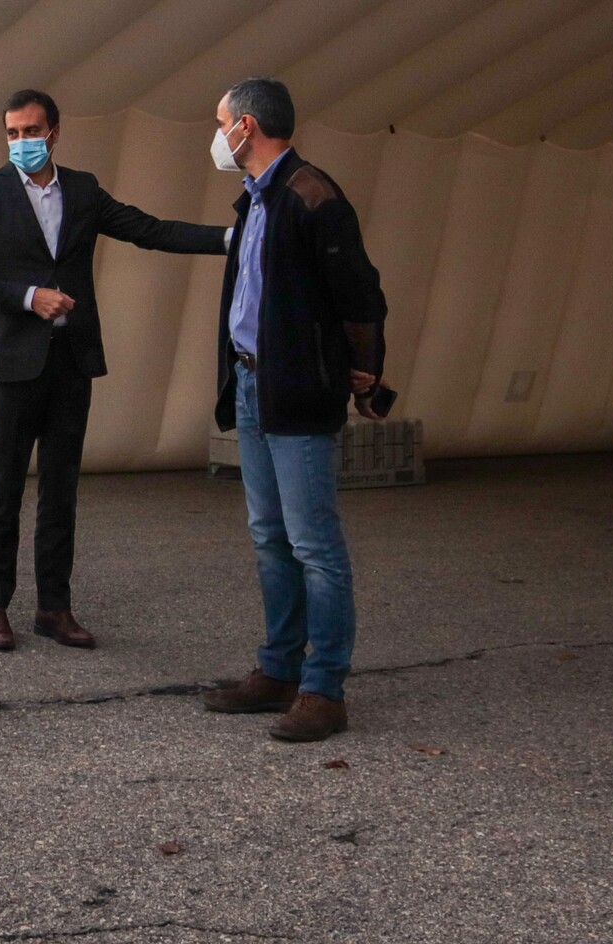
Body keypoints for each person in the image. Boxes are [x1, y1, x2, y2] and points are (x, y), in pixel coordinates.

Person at [0, 88, 228, 653]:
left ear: (54, 131)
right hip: (12, 364)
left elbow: (146, 229)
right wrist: (30, 297)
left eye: (31, 131)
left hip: (71, 360)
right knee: (3, 488)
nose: (22, 142)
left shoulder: (81, 188)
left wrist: (229, 238)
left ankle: (55, 607)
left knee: (61, 489)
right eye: (12, 133)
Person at [199, 77, 389, 745]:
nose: (218, 135)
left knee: (314, 545)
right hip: (255, 385)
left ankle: (323, 689)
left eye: (222, 122)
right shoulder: (256, 200)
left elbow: (360, 291)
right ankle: (278, 671)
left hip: (299, 389)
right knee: (269, 536)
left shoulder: (312, 196)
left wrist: (365, 371)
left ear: (247, 127)